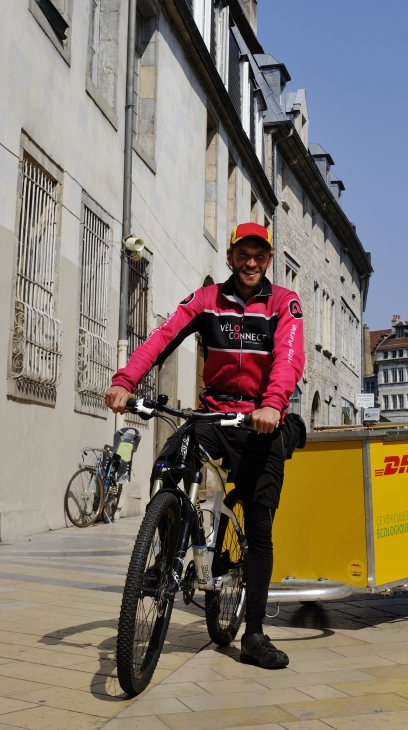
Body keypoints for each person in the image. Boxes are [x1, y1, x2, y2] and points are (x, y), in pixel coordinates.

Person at [105, 223, 306, 669]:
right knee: (168, 461)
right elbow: (163, 336)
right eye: (243, 254)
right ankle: (169, 549)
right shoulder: (207, 300)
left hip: (260, 421)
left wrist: (272, 404)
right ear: (230, 257)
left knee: (259, 526)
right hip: (216, 413)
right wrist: (125, 380)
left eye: (259, 255)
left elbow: (289, 357)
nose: (250, 262)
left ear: (268, 260)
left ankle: (253, 633)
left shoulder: (282, 303)